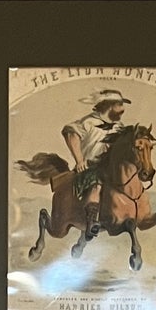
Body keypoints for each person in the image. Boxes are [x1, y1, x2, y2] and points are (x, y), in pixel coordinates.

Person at [62, 90, 129, 236]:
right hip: (91, 167)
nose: (123, 109)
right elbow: (70, 133)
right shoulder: (88, 122)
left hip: (111, 168)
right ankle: (91, 220)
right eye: (119, 105)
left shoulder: (120, 126)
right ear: (109, 106)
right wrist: (79, 160)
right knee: (96, 182)